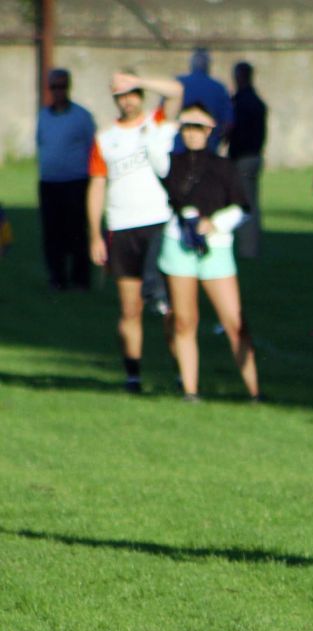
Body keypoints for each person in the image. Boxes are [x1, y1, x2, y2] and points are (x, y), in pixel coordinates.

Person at [152, 103, 259, 402]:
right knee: (185, 320)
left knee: (234, 322)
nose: (192, 133)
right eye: (186, 127)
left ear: (210, 131)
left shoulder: (224, 166)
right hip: (179, 246)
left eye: (198, 127)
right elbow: (153, 150)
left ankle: (255, 392)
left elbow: (243, 208)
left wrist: (215, 223)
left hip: (216, 249)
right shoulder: (171, 163)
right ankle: (190, 389)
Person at [88, 71, 183, 393]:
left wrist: (139, 79)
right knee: (130, 308)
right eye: (121, 95)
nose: (127, 100)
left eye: (132, 94)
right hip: (121, 227)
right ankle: (133, 375)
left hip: (158, 223)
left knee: (167, 306)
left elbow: (175, 91)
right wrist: (95, 234)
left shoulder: (157, 122)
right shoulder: (105, 138)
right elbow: (98, 184)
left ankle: (182, 371)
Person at [36, 68, 96, 292]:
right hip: (50, 182)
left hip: (75, 182)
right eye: (54, 87)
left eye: (61, 86)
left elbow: (92, 146)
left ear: (68, 87)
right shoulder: (43, 115)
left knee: (77, 232)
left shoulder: (81, 116)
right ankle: (56, 278)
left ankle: (80, 279)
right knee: (52, 234)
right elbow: (42, 143)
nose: (58, 91)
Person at [227, 61, 267, 259]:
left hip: (243, 157)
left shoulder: (241, 102)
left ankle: (248, 250)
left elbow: (233, 130)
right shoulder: (255, 101)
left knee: (245, 205)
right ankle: (251, 248)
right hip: (254, 156)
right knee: (251, 204)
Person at [176, 48, 233, 152]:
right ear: (208, 65)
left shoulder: (178, 84)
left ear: (191, 64)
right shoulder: (219, 88)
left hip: (179, 147)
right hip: (208, 148)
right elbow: (228, 123)